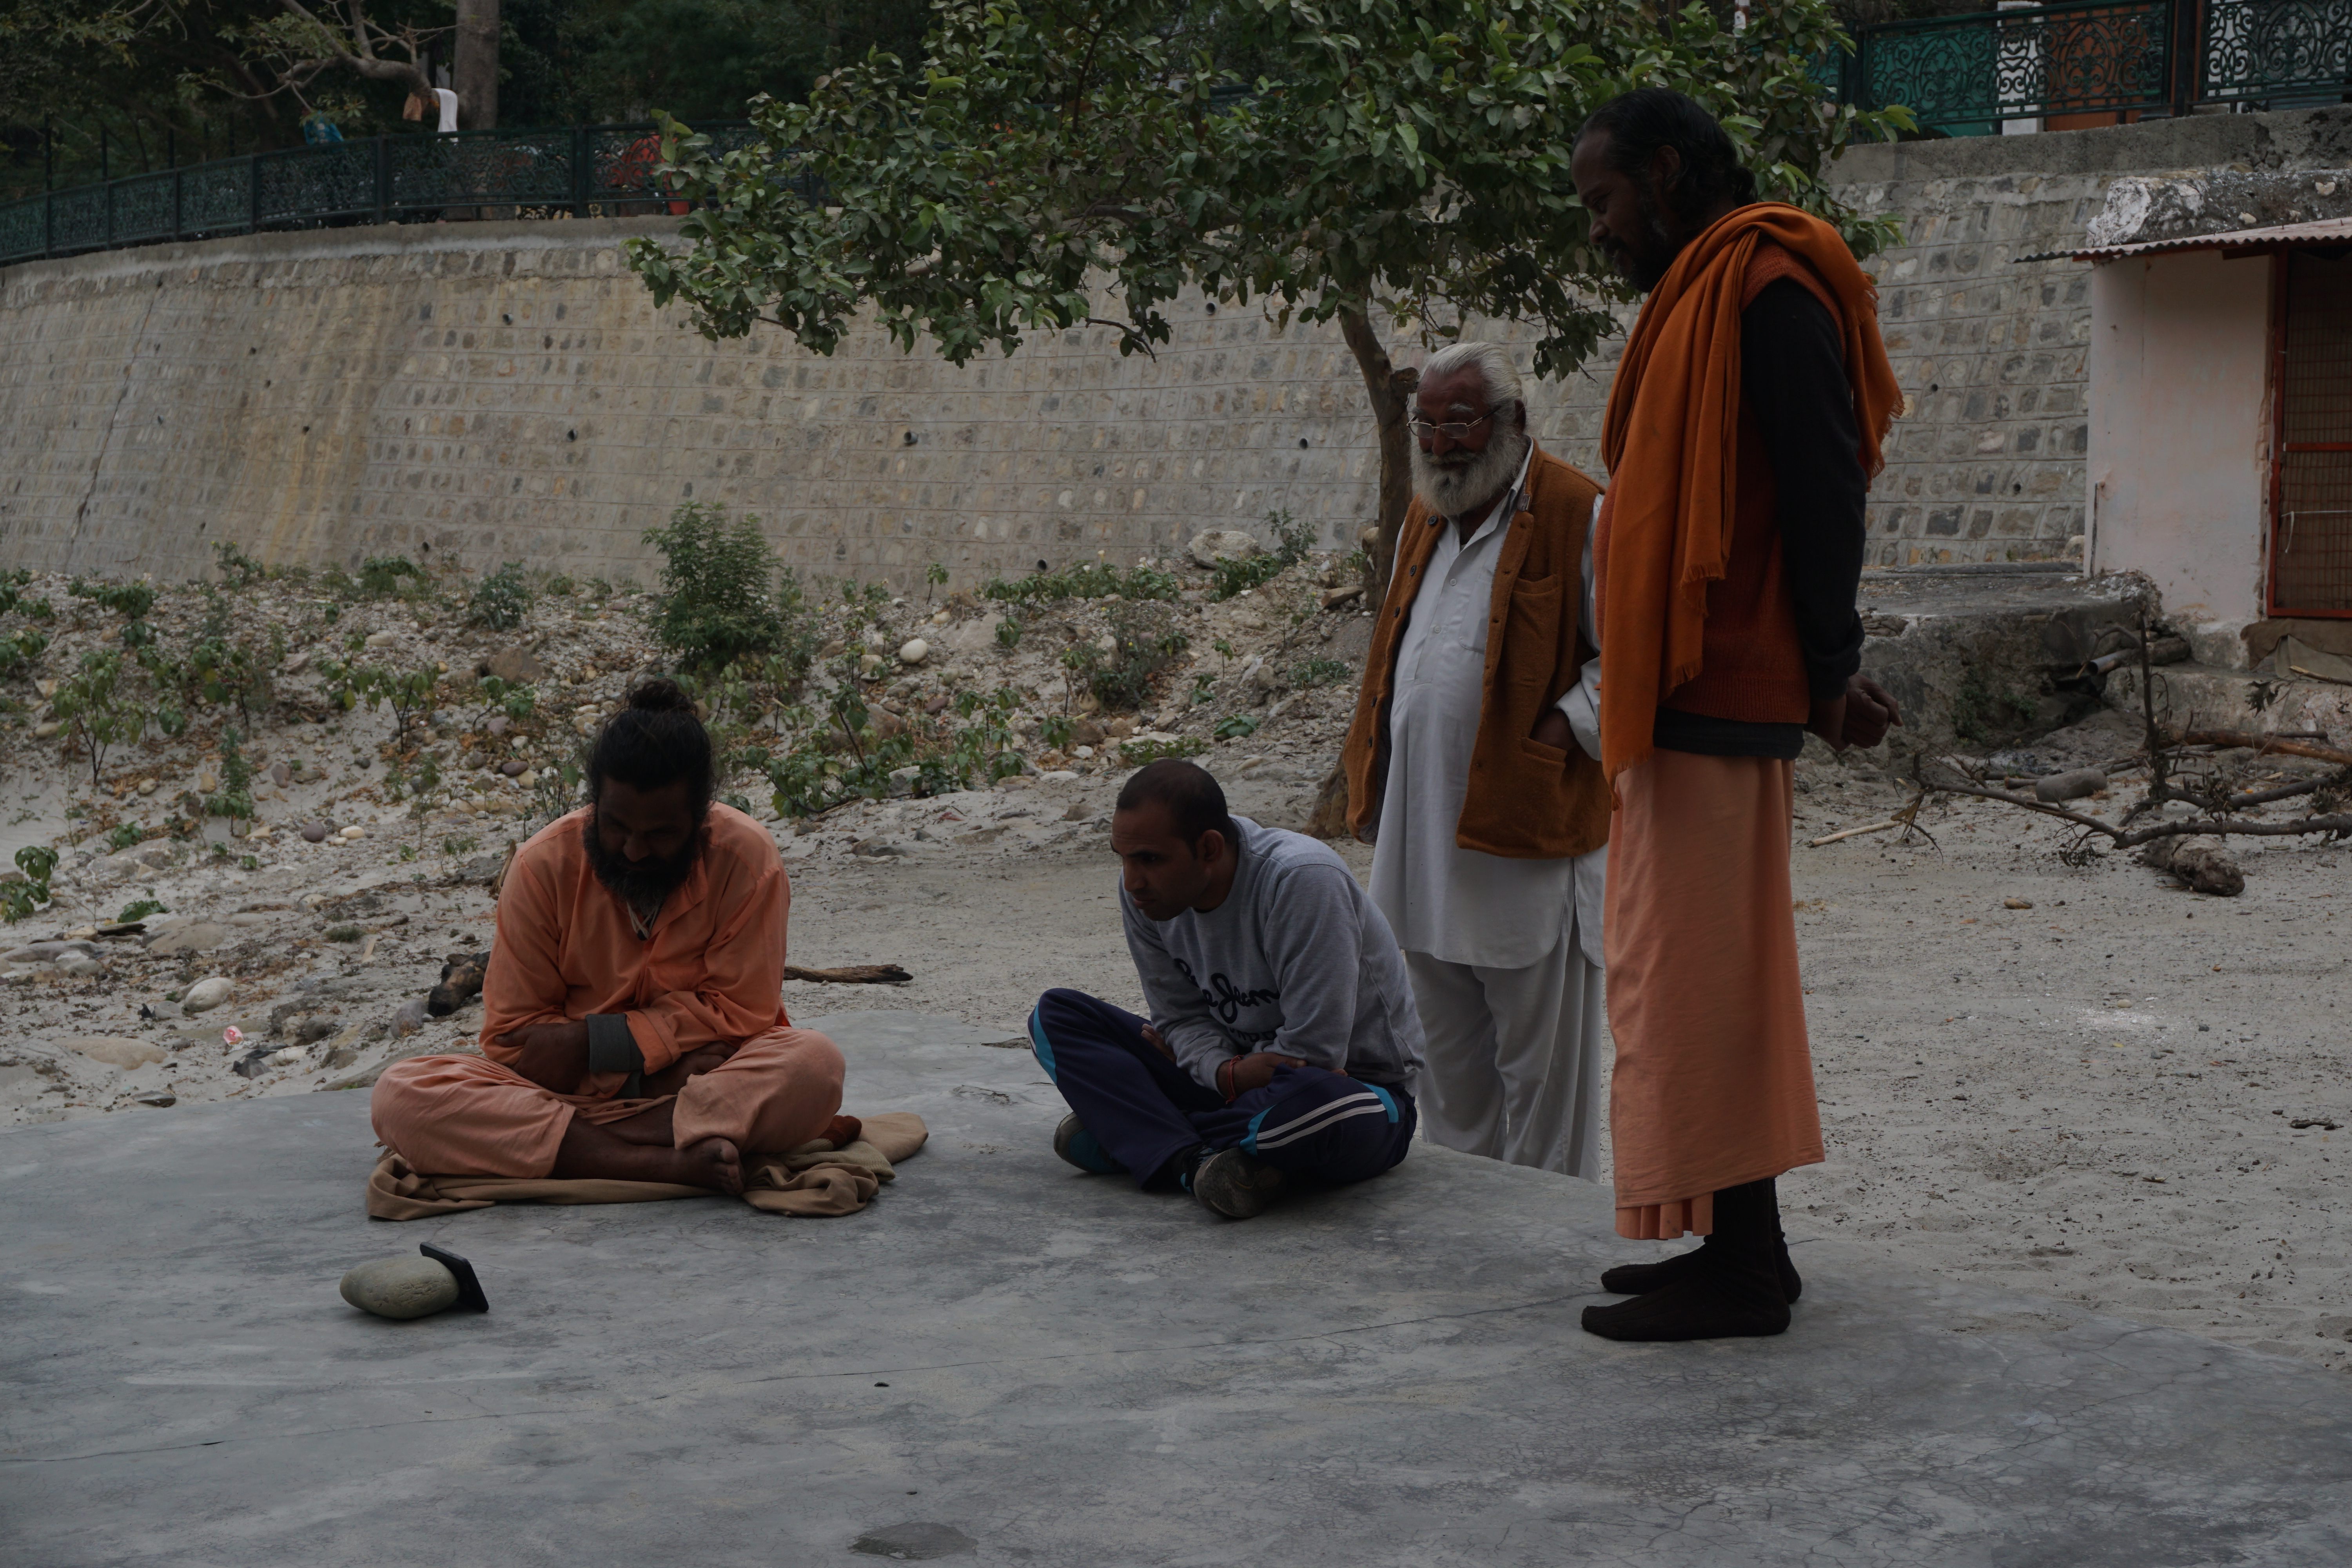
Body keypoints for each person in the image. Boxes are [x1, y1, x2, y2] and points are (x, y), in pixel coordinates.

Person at [1568, 88, 1905, 1341]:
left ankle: (1747, 1271)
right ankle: (1733, 1246)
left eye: (1604, 199)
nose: (1598, 228)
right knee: (1677, 978)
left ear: (1665, 172)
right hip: (1679, 695)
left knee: (1697, 983)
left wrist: (1829, 668)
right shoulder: (1709, 288)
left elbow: (1825, 489)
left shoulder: (1766, 289)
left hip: (1719, 692)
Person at [370, 681, 846, 1196]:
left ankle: (579, 1150)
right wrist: (648, 1075)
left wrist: (592, 1043)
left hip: (702, 1087)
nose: (634, 850)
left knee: (814, 1065)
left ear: (700, 819)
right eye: (616, 826)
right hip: (604, 1098)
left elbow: (742, 1012)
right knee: (401, 1094)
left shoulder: (748, 862)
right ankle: (647, 1158)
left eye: (660, 834)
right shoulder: (541, 867)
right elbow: (514, 1042)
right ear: (595, 803)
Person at [1340, 341, 1612, 1178]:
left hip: (1527, 846)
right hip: (1422, 846)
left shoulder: (1580, 512)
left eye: (1459, 423)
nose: (1440, 444)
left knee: (1544, 1089)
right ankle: (1466, 1230)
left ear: (1512, 419)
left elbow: (1633, 659)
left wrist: (1560, 730)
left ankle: (1548, 1238)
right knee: (1446, 1075)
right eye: (1426, 426)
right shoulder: (1423, 517)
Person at [1029, 760, 1425, 1220]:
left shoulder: (1301, 879)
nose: (1132, 880)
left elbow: (1314, 1055)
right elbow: (1178, 1019)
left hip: (1352, 1091)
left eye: (1150, 860)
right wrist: (1225, 1074)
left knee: (1311, 1107)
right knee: (1055, 1017)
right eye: (1123, 857)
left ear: (1209, 848)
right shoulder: (1146, 896)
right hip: (1229, 1080)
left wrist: (1217, 1070)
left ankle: (1144, 1136)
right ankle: (1194, 1160)